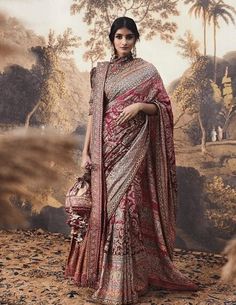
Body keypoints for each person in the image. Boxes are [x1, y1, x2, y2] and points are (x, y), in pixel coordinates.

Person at [65, 16, 198, 305]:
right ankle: (103, 274)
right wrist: (85, 151)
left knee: (126, 208)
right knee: (105, 211)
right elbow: (92, 114)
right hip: (105, 152)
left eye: (129, 37)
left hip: (133, 151)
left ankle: (127, 278)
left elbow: (163, 108)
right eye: (119, 37)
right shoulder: (99, 73)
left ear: (136, 39)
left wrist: (141, 106)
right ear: (111, 40)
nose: (124, 42)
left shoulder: (147, 72)